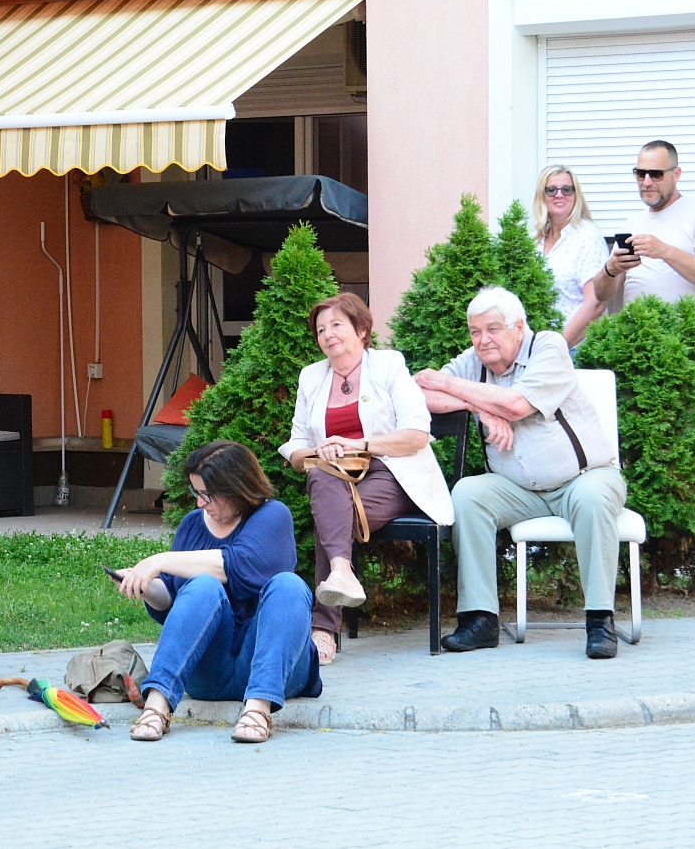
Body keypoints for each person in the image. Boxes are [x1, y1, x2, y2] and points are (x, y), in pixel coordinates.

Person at [413, 287, 626, 659]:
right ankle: (480, 620)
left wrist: (451, 385)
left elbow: (516, 404)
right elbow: (419, 392)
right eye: (475, 332)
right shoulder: (475, 362)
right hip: (518, 489)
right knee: (467, 494)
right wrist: (478, 408)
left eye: (492, 329)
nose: (483, 340)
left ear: (519, 326)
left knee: (593, 498)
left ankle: (599, 620)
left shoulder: (548, 348)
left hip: (583, 478)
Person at [278, 294, 452, 666]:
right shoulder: (311, 376)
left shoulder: (389, 365)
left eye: (336, 325)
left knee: (332, 520)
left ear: (361, 329)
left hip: (394, 472)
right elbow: (295, 445)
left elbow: (417, 434)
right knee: (324, 484)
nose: (327, 334)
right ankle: (342, 573)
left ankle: (323, 629)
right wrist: (317, 452)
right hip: (334, 475)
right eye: (321, 329)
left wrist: (357, 444)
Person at [115, 440, 321, 745]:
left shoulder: (273, 516)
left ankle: (258, 710)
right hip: (211, 672)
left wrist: (158, 561)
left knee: (289, 586)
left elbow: (237, 566)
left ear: (238, 489)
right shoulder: (192, 525)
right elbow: (172, 600)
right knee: (201, 586)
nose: (200, 503)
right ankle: (156, 706)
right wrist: (146, 588)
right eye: (196, 493)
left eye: (207, 495)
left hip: (275, 668)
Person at [589, 140, 695, 322]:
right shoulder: (631, 223)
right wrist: (611, 269)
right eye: (641, 174)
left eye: (656, 174)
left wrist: (664, 251)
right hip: (638, 339)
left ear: (676, 174)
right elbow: (601, 294)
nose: (647, 182)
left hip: (686, 342)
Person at [532, 165, 610, 347]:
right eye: (551, 190)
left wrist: (557, 347)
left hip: (577, 349)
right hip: (539, 349)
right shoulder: (535, 240)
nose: (559, 195)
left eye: (566, 189)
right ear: (541, 196)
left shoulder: (587, 236)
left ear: (576, 195)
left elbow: (596, 304)